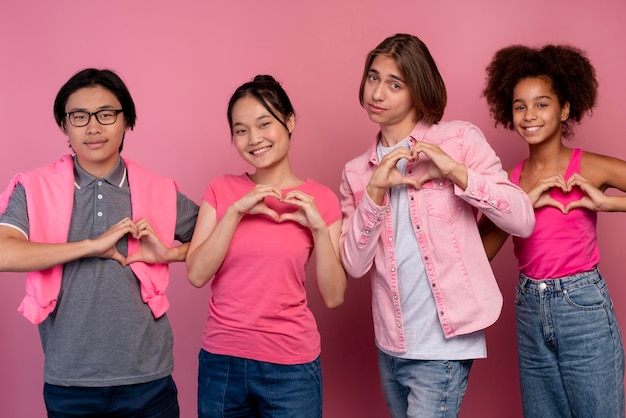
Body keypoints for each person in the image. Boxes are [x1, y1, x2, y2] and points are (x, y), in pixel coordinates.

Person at [339, 33, 535, 418]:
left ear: (418, 91)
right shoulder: (356, 171)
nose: (377, 92)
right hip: (391, 344)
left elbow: (522, 219)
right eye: (373, 78)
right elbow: (354, 264)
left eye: (395, 84)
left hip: (443, 345)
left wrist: (457, 173)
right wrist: (376, 190)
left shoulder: (458, 140)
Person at [0, 68, 199, 417]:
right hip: (69, 381)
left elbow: (219, 241)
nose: (93, 127)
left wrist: (173, 253)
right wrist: (90, 246)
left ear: (127, 122)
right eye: (79, 117)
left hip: (148, 380)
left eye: (106, 115)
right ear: (65, 126)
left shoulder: (159, 190)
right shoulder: (33, 188)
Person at [186, 75, 347, 418]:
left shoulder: (322, 200)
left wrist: (318, 227)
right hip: (221, 363)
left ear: (288, 122)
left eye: (264, 124)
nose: (254, 138)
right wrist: (235, 212)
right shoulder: (221, 190)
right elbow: (197, 274)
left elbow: (334, 297)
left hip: (291, 368)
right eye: (241, 130)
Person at [481, 44, 626, 417]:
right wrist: (519, 207)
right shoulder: (508, 183)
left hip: (583, 309)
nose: (529, 115)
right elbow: (480, 254)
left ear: (565, 109)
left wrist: (611, 203)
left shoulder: (592, 167)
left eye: (542, 104)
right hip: (529, 309)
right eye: (519, 106)